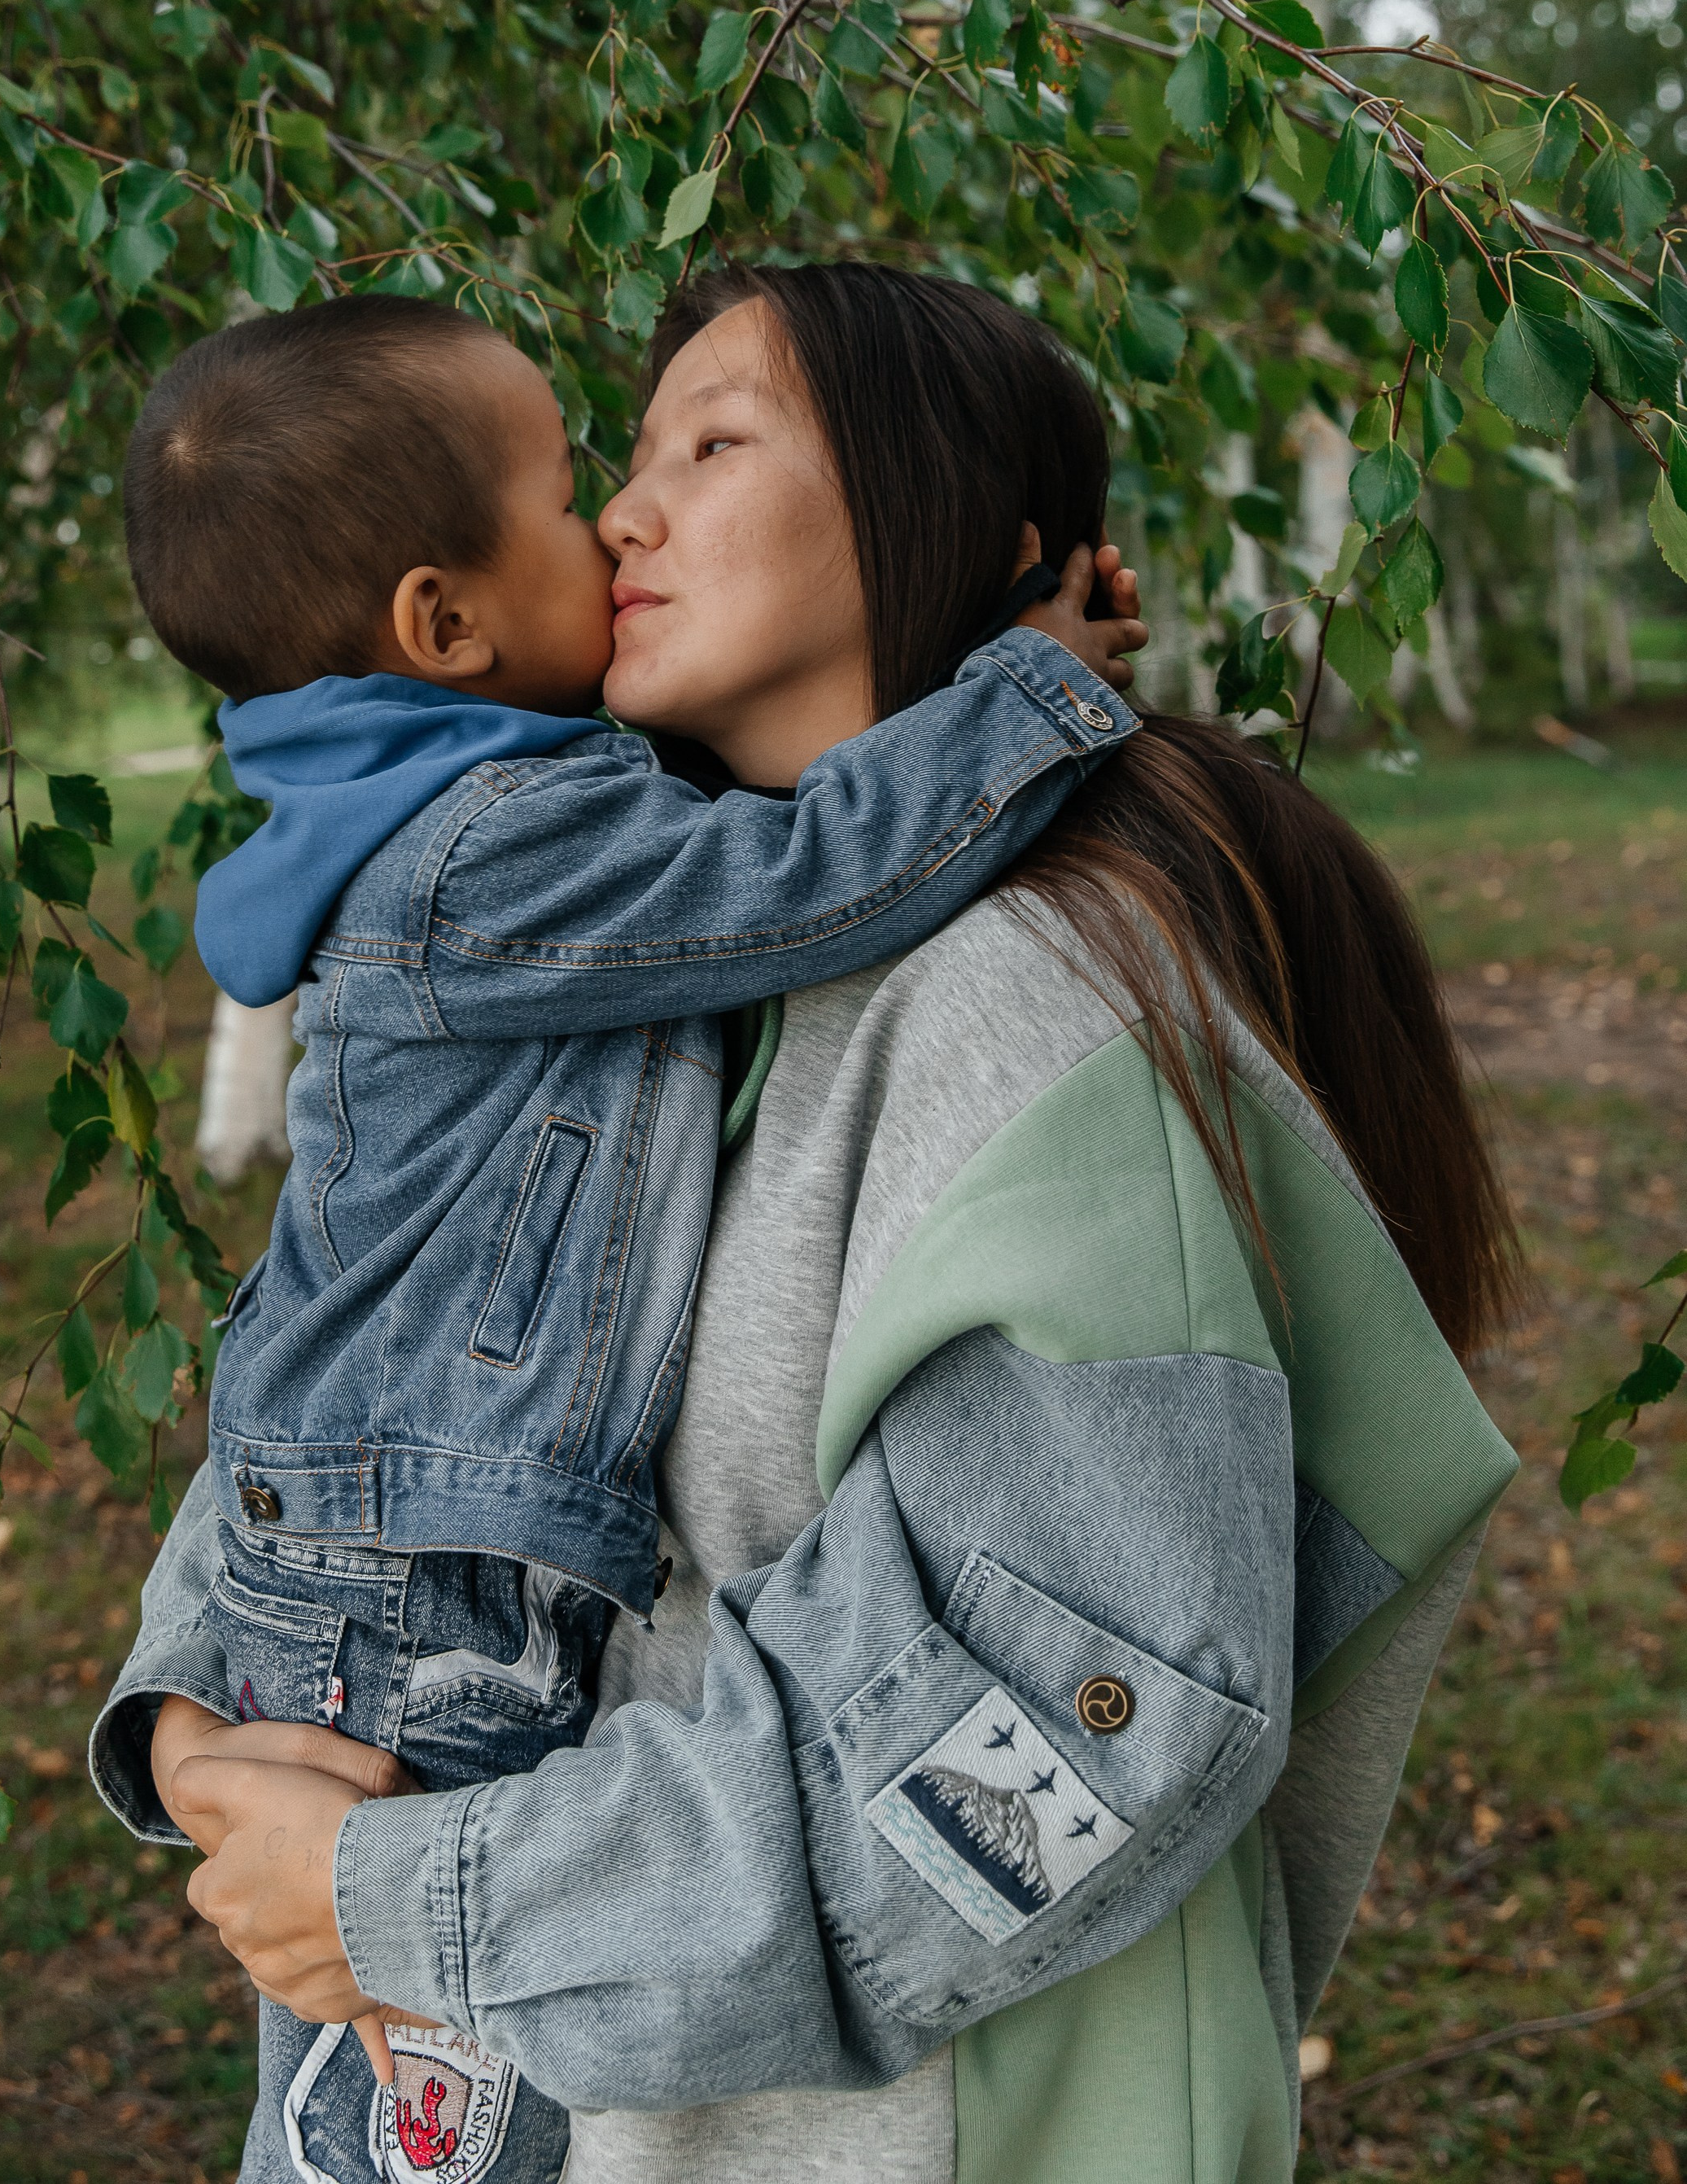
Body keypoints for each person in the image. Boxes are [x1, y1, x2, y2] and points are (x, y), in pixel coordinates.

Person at [96, 262, 1521, 2184]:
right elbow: (365, 1335)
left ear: (944, 521)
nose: (620, 508)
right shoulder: (628, 956)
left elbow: (1055, 1755)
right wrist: (201, 1700)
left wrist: (416, 1900)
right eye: (620, 453)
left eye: (712, 439)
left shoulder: (1023, 1010)